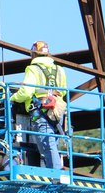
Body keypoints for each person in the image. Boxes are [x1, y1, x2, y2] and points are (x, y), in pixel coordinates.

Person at [9, 41, 67, 170]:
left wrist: (12, 98)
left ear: (33, 54)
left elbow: (27, 91)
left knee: (47, 143)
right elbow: (63, 91)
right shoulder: (59, 70)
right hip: (58, 109)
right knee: (53, 142)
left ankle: (56, 172)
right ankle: (53, 170)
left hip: (41, 111)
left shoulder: (33, 69)